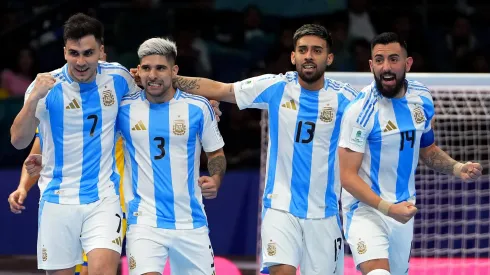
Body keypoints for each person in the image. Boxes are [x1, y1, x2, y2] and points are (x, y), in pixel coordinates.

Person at [147, 24, 359, 275]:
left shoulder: (348, 100)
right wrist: (166, 78)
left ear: (329, 57)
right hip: (280, 207)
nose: (309, 56)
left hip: (325, 213)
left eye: (317, 50)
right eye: (302, 50)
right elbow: (222, 89)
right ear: (293, 56)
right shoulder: (277, 87)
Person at [337, 32, 483, 275]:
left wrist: (457, 168)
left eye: (394, 59)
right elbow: (347, 177)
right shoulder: (360, 112)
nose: (386, 67)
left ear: (408, 63)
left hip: (403, 208)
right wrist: (387, 208)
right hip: (365, 209)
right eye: (380, 60)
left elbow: (427, 149)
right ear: (371, 65)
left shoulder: (422, 98)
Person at [9, 13, 140, 275]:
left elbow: (148, 107)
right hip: (57, 201)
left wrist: (204, 105)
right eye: (74, 53)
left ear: (101, 52)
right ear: (65, 51)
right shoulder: (45, 87)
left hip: (104, 198)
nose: (80, 61)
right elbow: (19, 141)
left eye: (88, 53)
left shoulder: (119, 78)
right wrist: (33, 98)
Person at [117, 37, 226, 275]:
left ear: (174, 71)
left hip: (191, 221)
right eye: (146, 68)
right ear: (138, 71)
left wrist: (215, 179)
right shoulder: (123, 108)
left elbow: (215, 151)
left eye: (160, 68)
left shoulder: (198, 107)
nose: (152, 75)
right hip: (143, 220)